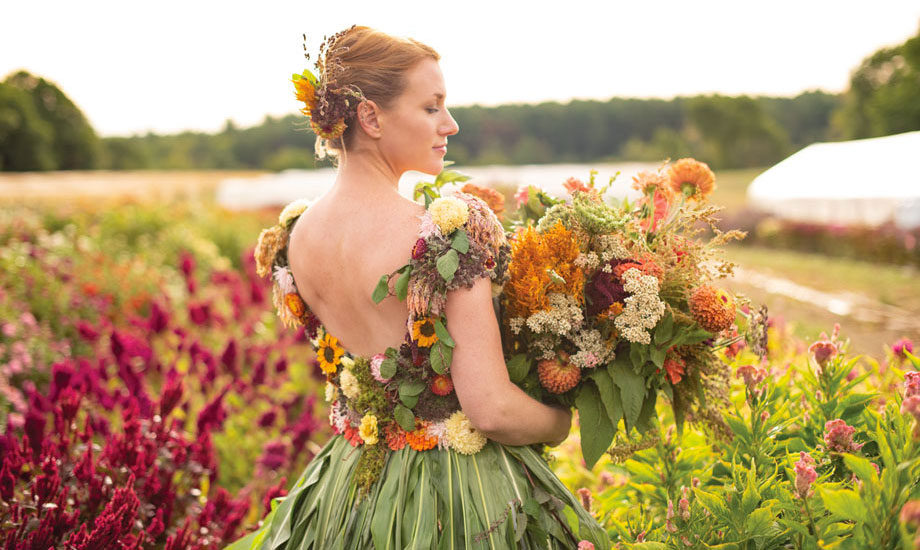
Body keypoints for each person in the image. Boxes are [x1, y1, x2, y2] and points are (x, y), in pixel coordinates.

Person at [227, 26, 609, 550]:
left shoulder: (296, 236)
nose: (449, 124)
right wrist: (558, 422)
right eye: (432, 107)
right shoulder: (445, 233)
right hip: (458, 497)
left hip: (348, 493)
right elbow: (491, 409)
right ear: (370, 117)